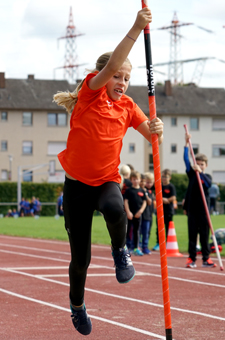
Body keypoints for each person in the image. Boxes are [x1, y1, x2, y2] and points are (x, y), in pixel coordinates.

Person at [53, 6, 163, 336]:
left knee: (117, 208)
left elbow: (152, 136)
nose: (123, 82)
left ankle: (120, 250)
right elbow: (114, 62)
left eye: (128, 79)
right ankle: (77, 306)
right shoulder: (89, 93)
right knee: (81, 261)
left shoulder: (128, 106)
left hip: (106, 182)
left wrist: (156, 129)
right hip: (76, 188)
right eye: (118, 76)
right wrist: (135, 27)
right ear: (103, 75)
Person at [184, 132, 216, 268]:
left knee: (204, 235)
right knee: (192, 235)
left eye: (202, 164)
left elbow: (208, 185)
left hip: (204, 211)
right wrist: (186, 144)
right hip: (192, 210)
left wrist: (201, 173)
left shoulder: (206, 176)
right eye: (197, 163)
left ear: (206, 165)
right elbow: (186, 159)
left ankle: (206, 259)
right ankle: (191, 259)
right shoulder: (191, 174)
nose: (199, 165)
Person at [152, 169, 176, 251]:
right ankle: (158, 243)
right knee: (159, 228)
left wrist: (168, 200)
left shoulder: (171, 186)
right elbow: (155, 196)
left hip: (169, 211)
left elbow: (173, 197)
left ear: (170, 178)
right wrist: (161, 199)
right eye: (163, 177)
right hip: (159, 210)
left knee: (168, 228)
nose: (164, 178)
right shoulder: (159, 186)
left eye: (166, 177)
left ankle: (168, 243)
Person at [124, 171, 147, 255]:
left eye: (137, 179)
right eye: (133, 179)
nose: (135, 181)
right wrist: (128, 212)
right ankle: (126, 247)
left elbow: (145, 202)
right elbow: (125, 201)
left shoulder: (142, 190)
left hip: (138, 214)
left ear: (140, 180)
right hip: (130, 214)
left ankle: (136, 248)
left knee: (137, 231)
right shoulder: (129, 190)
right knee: (128, 230)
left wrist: (140, 211)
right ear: (131, 180)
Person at [139, 174, 152, 254]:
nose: (143, 183)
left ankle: (145, 246)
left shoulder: (147, 191)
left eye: (144, 181)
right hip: (138, 214)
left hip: (146, 215)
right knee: (138, 232)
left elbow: (149, 202)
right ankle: (138, 246)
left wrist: (145, 194)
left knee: (146, 232)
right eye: (141, 181)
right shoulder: (135, 190)